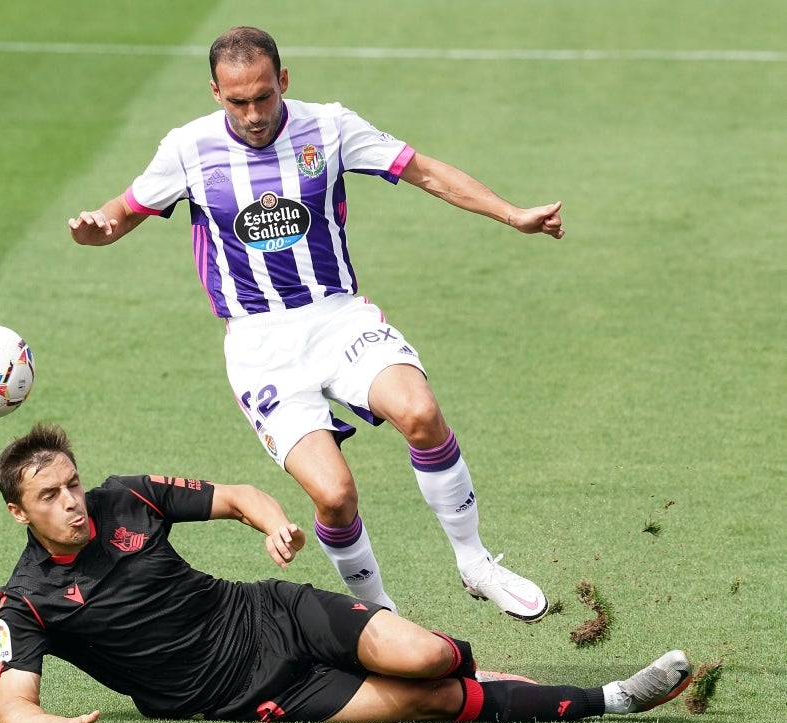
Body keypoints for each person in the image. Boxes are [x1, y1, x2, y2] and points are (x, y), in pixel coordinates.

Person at [68, 26, 568, 621]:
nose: (253, 113)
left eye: (262, 96)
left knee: (421, 412)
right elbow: (121, 213)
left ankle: (476, 561)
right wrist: (95, 226)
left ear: (283, 80)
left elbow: (423, 171)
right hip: (259, 345)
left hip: (336, 316)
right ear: (214, 93)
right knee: (333, 495)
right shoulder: (187, 149)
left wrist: (513, 215)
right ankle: (382, 620)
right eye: (237, 101)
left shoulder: (327, 127)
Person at [0, 423, 692, 723]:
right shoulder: (27, 601)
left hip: (274, 612)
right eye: (50, 495)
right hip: (254, 692)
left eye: (71, 483)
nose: (72, 500)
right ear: (18, 512)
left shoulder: (126, 498)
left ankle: (505, 676)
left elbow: (237, 494)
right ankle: (616, 698)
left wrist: (271, 524)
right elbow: (12, 706)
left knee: (431, 658)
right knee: (435, 701)